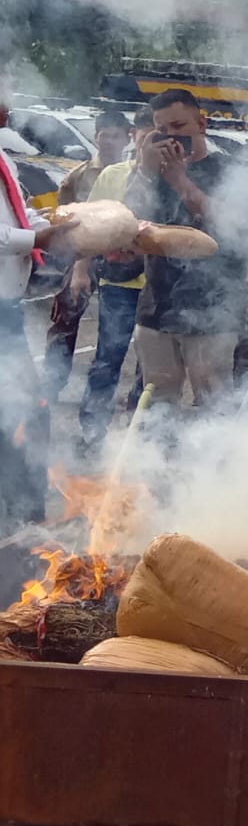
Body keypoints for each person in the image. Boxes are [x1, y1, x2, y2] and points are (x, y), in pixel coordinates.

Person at [124, 89, 248, 418]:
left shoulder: (230, 170)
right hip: (157, 306)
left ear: (201, 124)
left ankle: (217, 468)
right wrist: (145, 171)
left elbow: (232, 225)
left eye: (179, 126)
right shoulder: (151, 172)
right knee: (156, 399)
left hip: (214, 307)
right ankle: (155, 465)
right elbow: (126, 221)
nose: (171, 137)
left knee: (214, 401)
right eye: (161, 130)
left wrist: (181, 181)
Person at [0, 76, 76, 528]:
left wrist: (57, 221)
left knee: (24, 405)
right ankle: (19, 507)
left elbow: (18, 211)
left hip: (8, 307)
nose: (8, 109)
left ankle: (24, 505)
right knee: (19, 406)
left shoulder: (3, 155)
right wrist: (39, 235)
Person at [74, 109, 155, 447]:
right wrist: (80, 270)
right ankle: (92, 433)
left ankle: (136, 440)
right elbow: (87, 226)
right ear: (134, 135)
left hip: (157, 288)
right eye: (146, 135)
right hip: (118, 284)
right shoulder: (113, 176)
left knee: (149, 369)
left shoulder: (175, 179)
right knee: (108, 358)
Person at [40, 109, 132, 398]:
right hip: (81, 258)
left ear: (128, 138)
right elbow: (62, 220)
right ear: (96, 137)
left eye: (116, 135)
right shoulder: (76, 177)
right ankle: (52, 385)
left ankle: (102, 392)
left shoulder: (134, 174)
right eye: (104, 134)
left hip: (121, 260)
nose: (109, 141)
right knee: (65, 319)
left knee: (113, 328)